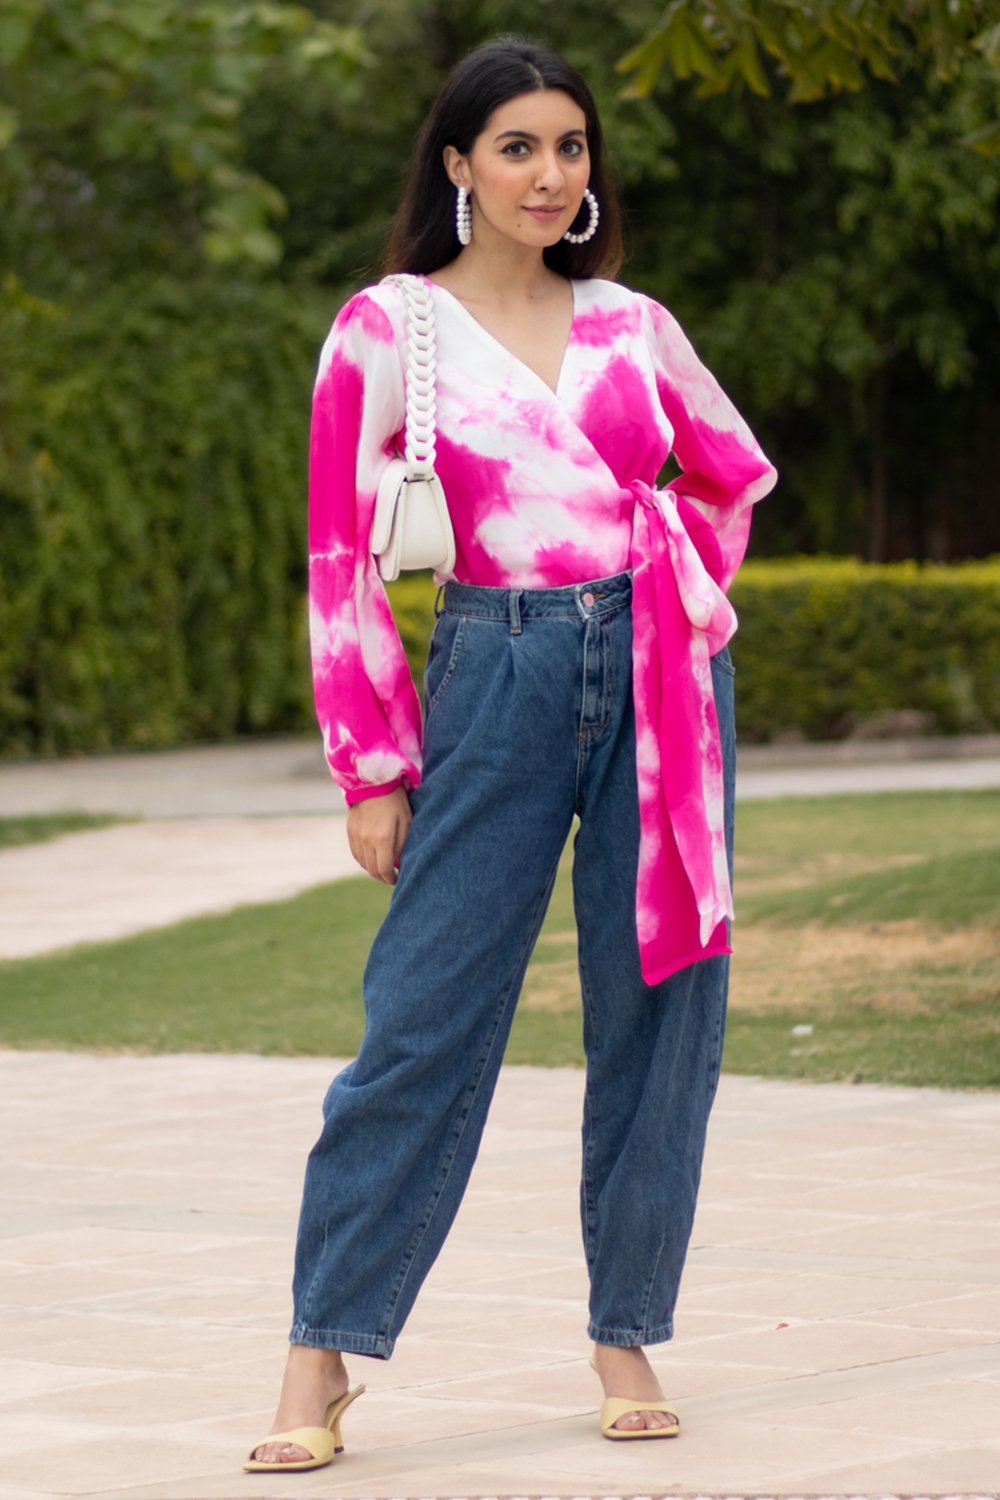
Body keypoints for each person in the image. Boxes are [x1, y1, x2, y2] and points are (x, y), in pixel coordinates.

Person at [245, 35, 776, 1473]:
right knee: (419, 1018)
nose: (549, 174)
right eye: (519, 147)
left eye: (570, 147)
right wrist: (371, 767)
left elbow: (730, 473)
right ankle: (321, 1350)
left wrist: (679, 582)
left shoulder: (634, 325)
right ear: (459, 165)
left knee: (662, 1005)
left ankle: (626, 1332)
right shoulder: (387, 329)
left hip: (663, 675)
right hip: (496, 666)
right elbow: (340, 558)